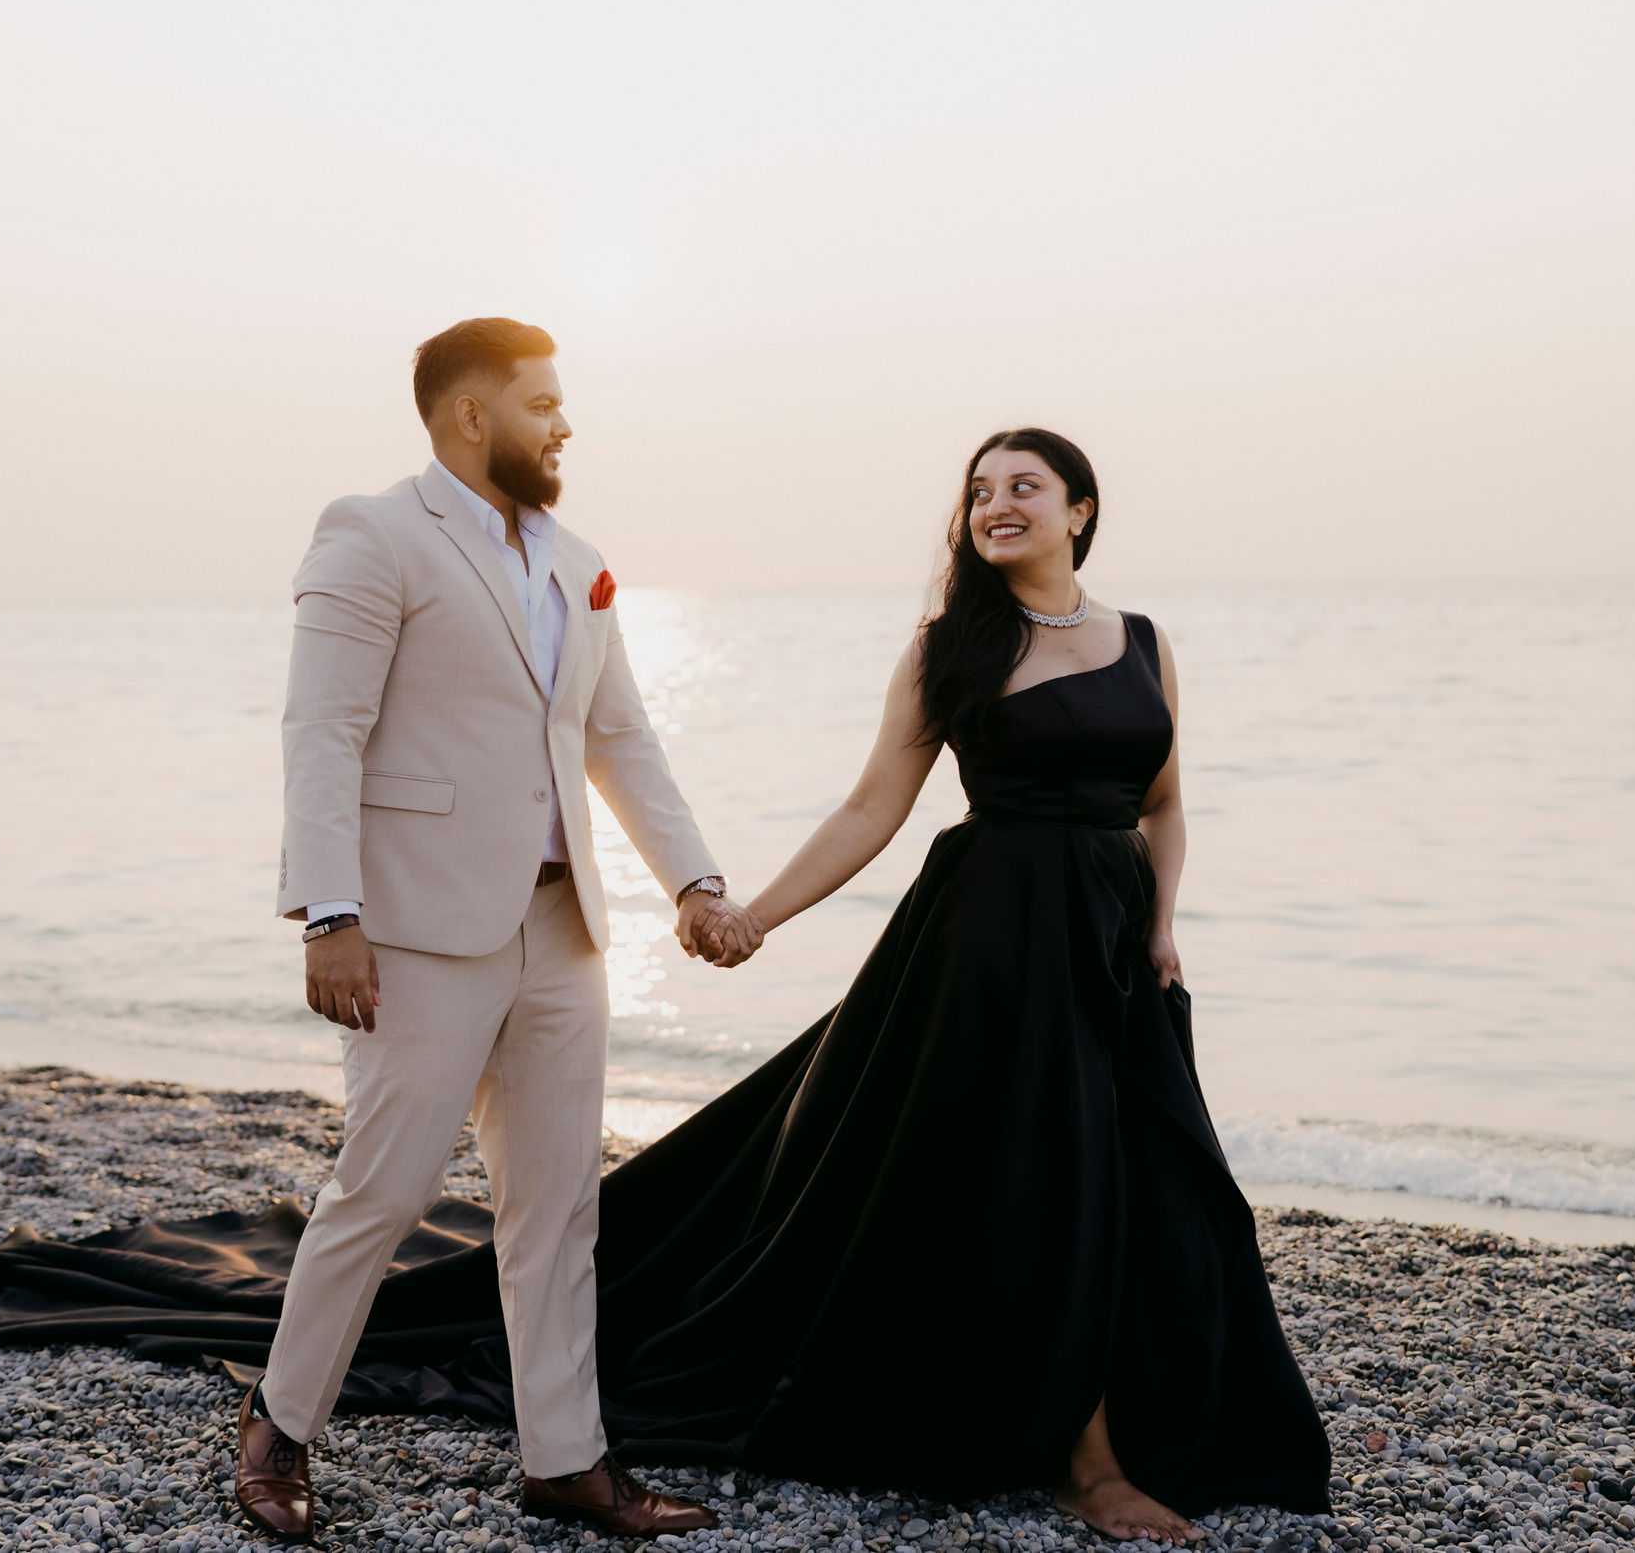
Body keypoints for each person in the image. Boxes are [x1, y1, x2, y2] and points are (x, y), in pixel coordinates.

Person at [625, 428, 1332, 1539]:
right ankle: (1085, 1463)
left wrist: (1162, 924)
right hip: (991, 941)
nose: (996, 505)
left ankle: (1121, 1425)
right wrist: (754, 913)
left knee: (1150, 1183)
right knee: (1050, 1182)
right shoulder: (948, 647)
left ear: (1080, 511)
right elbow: (872, 809)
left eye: (1024, 488)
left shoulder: (1142, 641)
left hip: (1108, 943)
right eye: (978, 492)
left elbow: (1162, 805)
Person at [240, 317, 744, 1543]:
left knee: (561, 1204)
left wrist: (692, 882)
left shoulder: (575, 558)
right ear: (472, 415)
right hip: (411, 929)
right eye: (542, 403)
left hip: (562, 936)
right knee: (386, 1186)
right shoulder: (371, 533)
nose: (564, 424)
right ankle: (278, 1427)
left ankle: (564, 1460)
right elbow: (322, 731)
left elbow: (617, 736)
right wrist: (331, 913)